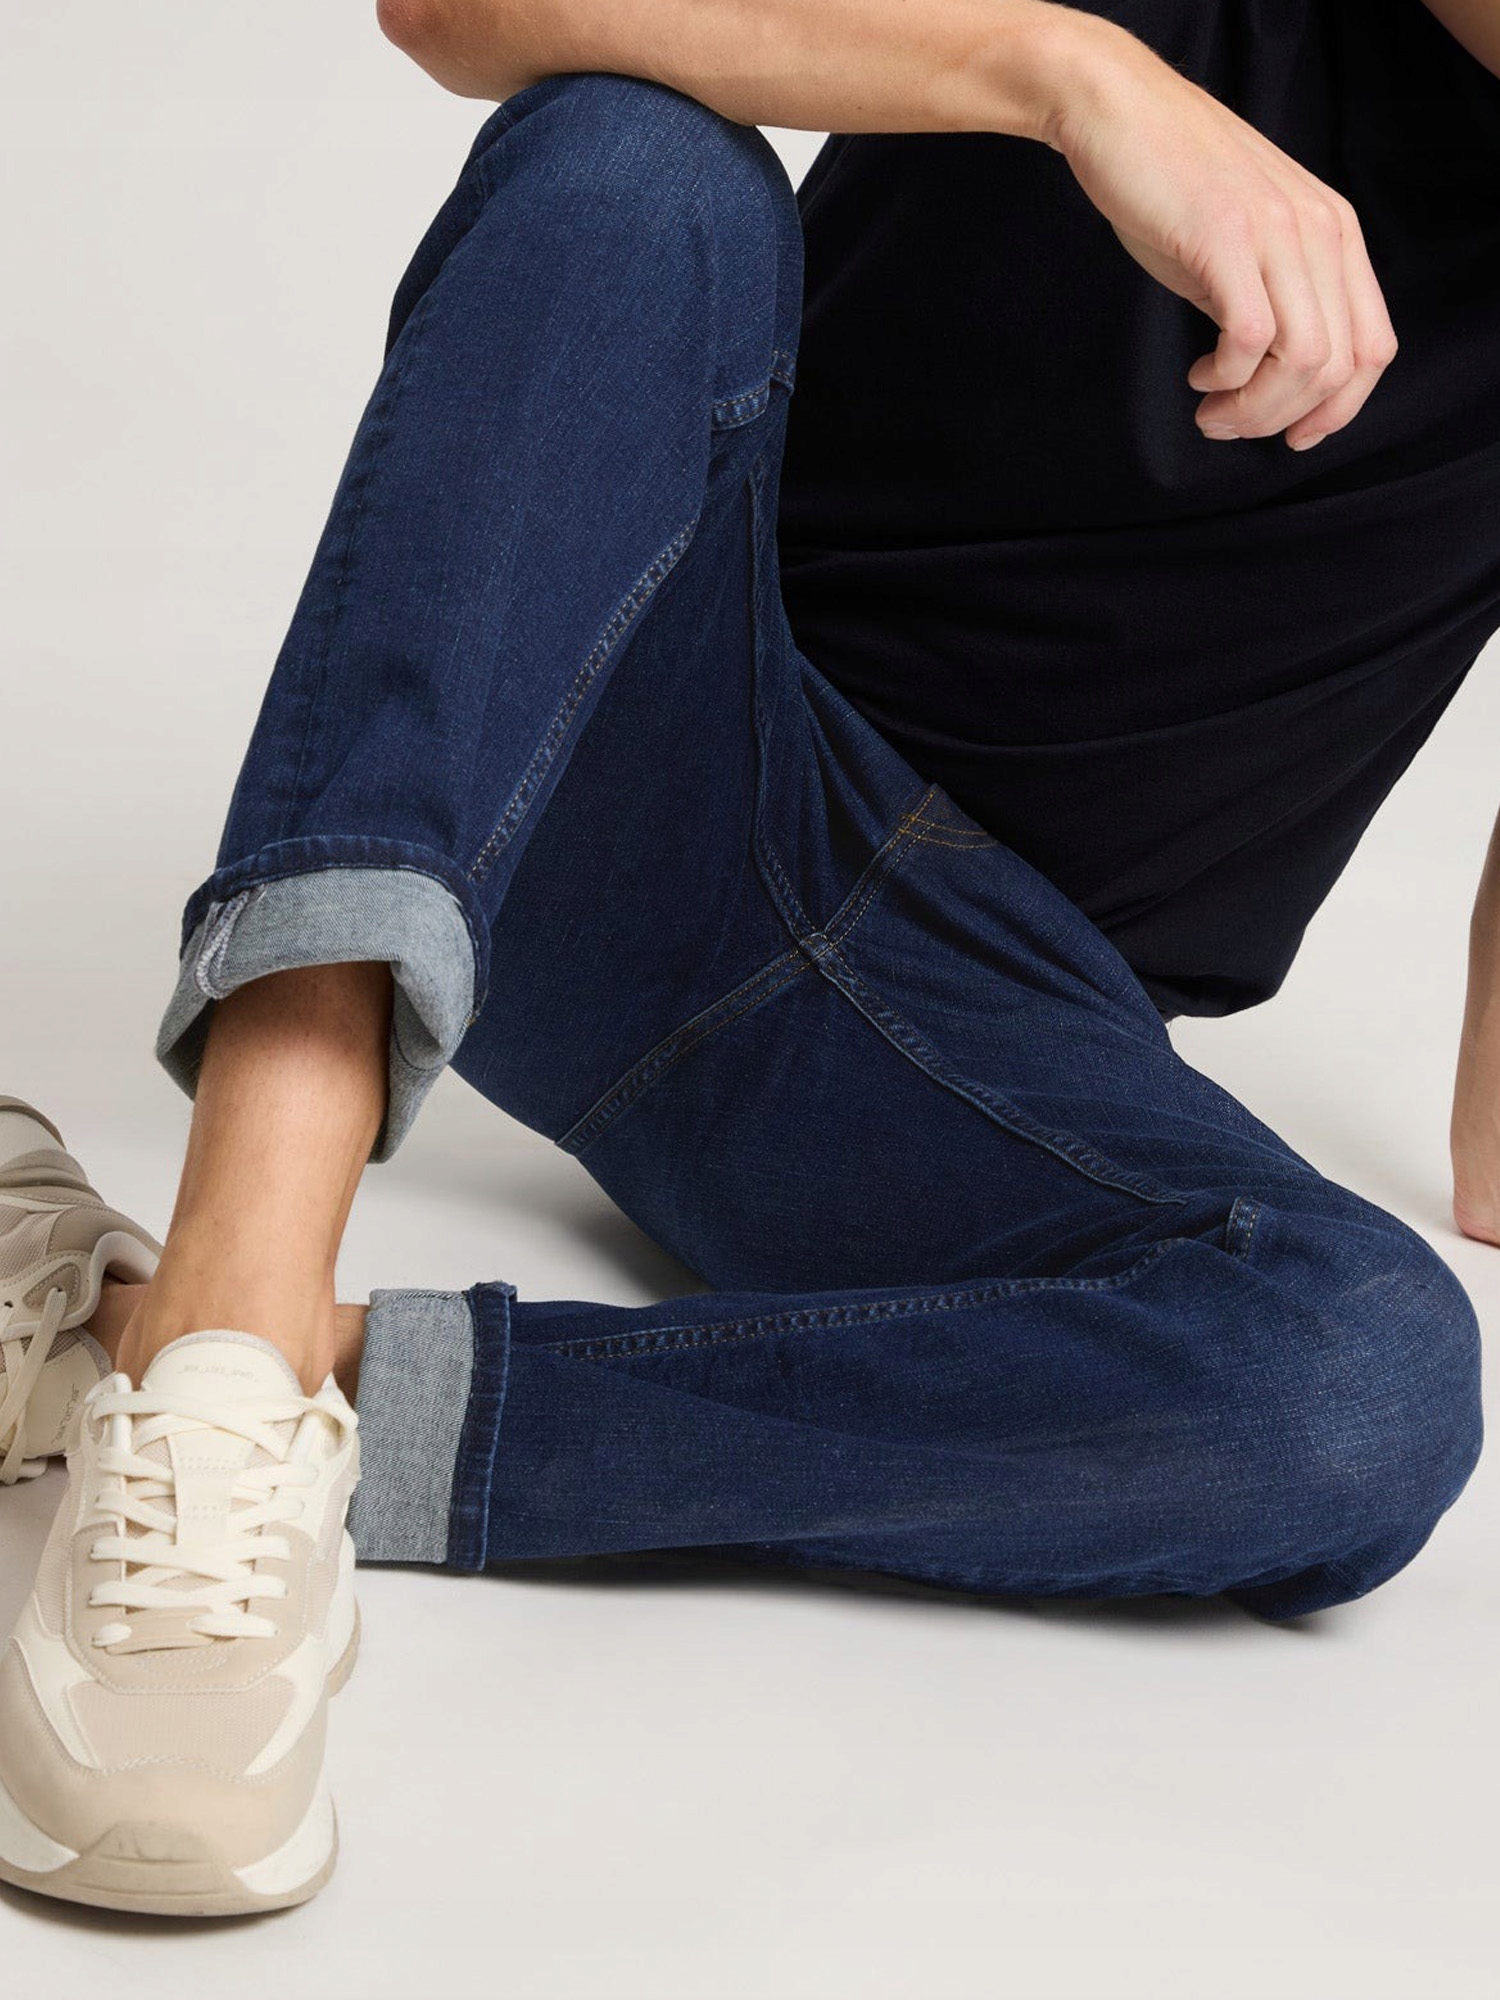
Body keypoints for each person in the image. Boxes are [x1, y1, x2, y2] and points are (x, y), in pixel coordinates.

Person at [0, 0, 1495, 1919]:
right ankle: (234, 1295)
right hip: (645, 778)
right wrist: (1078, 80)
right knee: (634, 165)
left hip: (951, 1049)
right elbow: (459, 8)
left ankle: (180, 1379)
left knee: (1358, 1380)